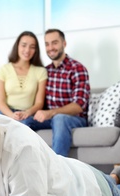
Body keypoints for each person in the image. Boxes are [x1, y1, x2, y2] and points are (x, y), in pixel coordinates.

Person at [22, 29, 90, 157]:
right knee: (25, 122)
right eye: (47, 44)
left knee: (59, 118)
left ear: (64, 44)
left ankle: (57, 169)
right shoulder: (45, 71)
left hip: (74, 118)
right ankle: (27, 164)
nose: (50, 48)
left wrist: (51, 113)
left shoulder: (77, 68)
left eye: (54, 43)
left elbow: (78, 105)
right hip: (50, 118)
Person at [0, 31, 47, 124]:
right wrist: (11, 115)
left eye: (32, 47)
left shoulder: (41, 72)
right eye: (24, 45)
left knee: (23, 125)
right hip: (6, 113)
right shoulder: (3, 70)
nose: (27, 50)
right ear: (17, 46)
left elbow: (39, 103)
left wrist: (27, 112)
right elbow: (1, 102)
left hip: (27, 114)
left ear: (36, 50)